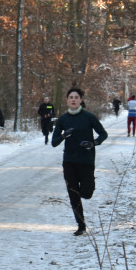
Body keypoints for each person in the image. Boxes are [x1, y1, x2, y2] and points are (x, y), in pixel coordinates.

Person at [51, 87, 107, 236]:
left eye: (76, 97)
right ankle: (81, 225)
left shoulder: (89, 117)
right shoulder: (63, 119)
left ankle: (85, 192)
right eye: (71, 97)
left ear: (81, 100)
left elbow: (103, 134)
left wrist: (93, 143)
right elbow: (54, 142)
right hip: (69, 161)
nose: (73, 99)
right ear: (67, 100)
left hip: (86, 160)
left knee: (87, 193)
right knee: (73, 193)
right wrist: (63, 135)